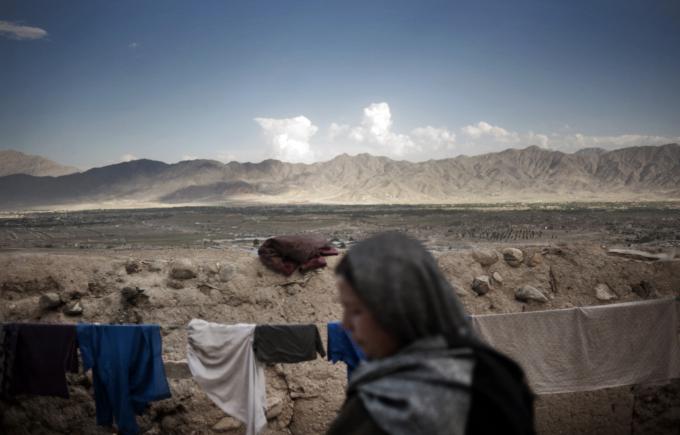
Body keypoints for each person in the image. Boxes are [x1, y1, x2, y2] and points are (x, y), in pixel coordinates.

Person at [326, 232, 535, 435]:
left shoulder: (381, 406)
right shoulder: (502, 376)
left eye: (356, 310)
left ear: (395, 310)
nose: (346, 325)